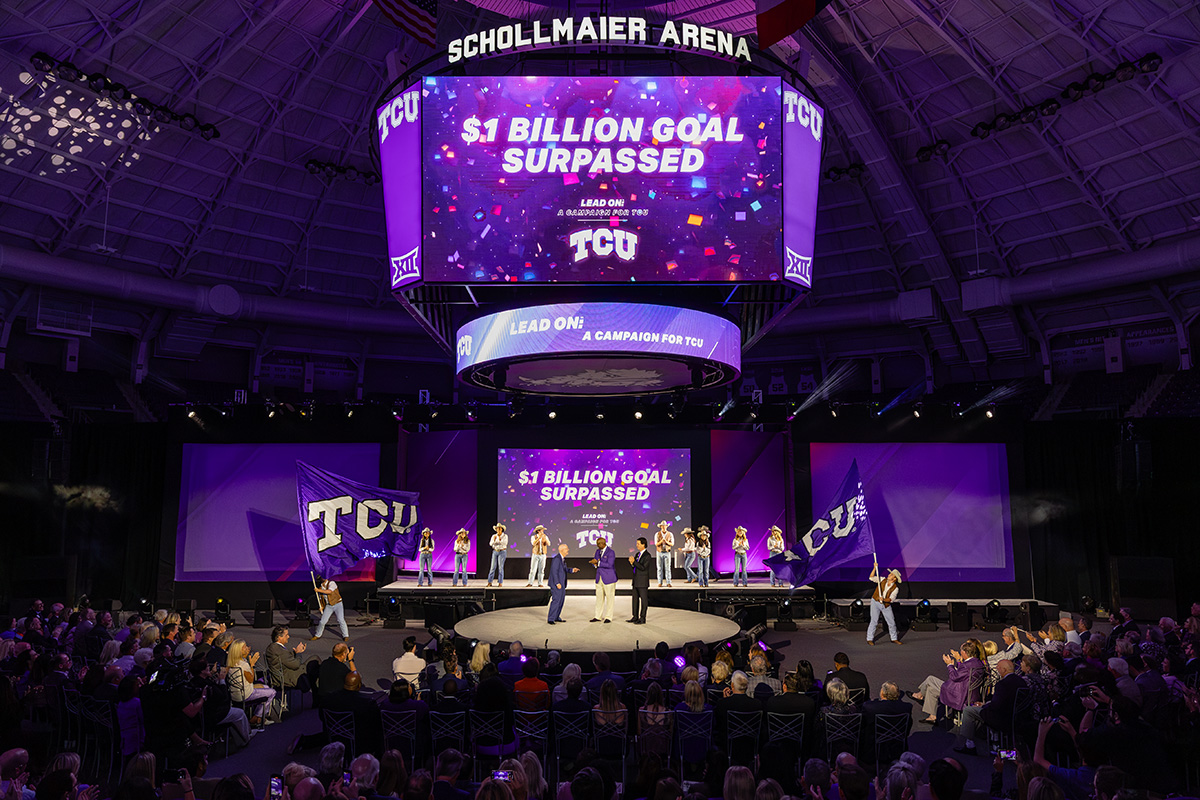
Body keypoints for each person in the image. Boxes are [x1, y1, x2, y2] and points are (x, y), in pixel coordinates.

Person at [953, 659, 1023, 755]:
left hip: (1001, 717)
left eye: (998, 668)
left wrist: (984, 705)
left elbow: (996, 706)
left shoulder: (1002, 684)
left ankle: (970, 745)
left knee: (969, 710)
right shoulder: (1021, 681)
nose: (997, 669)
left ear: (1004, 670)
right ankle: (996, 744)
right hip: (1017, 716)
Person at [913, 641, 986, 723]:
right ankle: (932, 716)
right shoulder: (978, 663)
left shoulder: (966, 665)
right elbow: (962, 673)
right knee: (931, 689)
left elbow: (954, 677)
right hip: (970, 692)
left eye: (961, 651)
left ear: (965, 652)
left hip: (960, 694)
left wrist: (949, 665)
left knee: (930, 679)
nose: (960, 653)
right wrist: (958, 660)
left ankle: (920, 695)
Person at [227, 639, 276, 724]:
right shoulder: (243, 664)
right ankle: (257, 717)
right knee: (272, 692)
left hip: (234, 693)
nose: (247, 648)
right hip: (245, 695)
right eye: (244, 647)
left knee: (266, 687)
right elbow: (251, 680)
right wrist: (252, 665)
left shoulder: (231, 662)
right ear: (239, 650)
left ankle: (259, 717)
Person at [867, 560, 903, 645]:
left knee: (891, 622)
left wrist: (883, 599)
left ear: (894, 579)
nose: (889, 575)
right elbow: (871, 577)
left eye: (891, 575)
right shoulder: (882, 579)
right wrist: (874, 568)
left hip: (885, 605)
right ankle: (869, 639)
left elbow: (891, 599)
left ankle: (894, 638)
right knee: (874, 621)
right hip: (875, 602)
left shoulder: (895, 588)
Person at [265, 625, 309, 692]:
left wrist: (295, 652)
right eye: (286, 635)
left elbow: (285, 658)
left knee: (314, 666)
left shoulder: (275, 647)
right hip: (286, 678)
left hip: (285, 673)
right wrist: (298, 653)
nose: (288, 637)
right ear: (279, 637)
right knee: (314, 663)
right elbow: (296, 665)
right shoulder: (276, 649)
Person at [547, 543, 578, 624]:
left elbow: (564, 570)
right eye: (566, 549)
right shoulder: (557, 559)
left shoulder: (562, 559)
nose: (568, 550)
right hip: (557, 584)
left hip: (562, 584)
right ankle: (551, 618)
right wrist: (557, 583)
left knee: (561, 601)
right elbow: (554, 572)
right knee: (556, 600)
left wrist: (572, 570)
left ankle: (556, 616)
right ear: (562, 550)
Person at [312, 577, 349, 641]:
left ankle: (345, 635)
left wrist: (318, 590)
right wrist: (322, 607)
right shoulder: (320, 588)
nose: (323, 578)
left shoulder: (332, 583)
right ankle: (317, 635)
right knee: (322, 621)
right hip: (329, 606)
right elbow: (322, 599)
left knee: (340, 620)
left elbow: (329, 591)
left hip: (338, 604)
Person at [590, 536, 617, 623]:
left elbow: (610, 564)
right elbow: (596, 562)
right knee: (599, 598)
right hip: (599, 577)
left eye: (598, 544)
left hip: (609, 578)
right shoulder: (597, 551)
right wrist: (594, 564)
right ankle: (598, 616)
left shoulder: (611, 552)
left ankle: (608, 617)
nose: (597, 546)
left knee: (610, 598)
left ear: (603, 543)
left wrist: (598, 563)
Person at [629, 537, 651, 624]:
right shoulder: (638, 554)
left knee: (644, 600)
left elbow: (643, 568)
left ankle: (642, 618)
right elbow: (636, 566)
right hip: (636, 580)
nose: (636, 545)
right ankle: (635, 616)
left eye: (638, 543)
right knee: (635, 600)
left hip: (642, 581)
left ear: (643, 544)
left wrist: (634, 562)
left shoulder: (647, 556)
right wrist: (632, 563)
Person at [654, 521, 674, 587]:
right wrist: (661, 541)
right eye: (662, 526)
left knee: (668, 568)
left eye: (664, 525)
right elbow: (656, 544)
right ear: (660, 527)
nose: (663, 527)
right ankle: (660, 582)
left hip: (667, 552)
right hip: (659, 552)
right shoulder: (657, 534)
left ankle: (668, 582)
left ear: (666, 526)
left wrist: (666, 542)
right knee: (659, 568)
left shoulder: (670, 534)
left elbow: (672, 544)